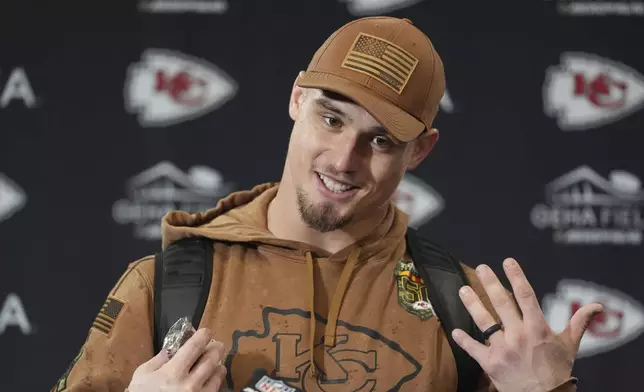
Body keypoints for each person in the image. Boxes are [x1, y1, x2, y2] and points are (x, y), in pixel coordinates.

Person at [51, 16, 602, 392]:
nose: (343, 160)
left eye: (381, 140)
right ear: (297, 100)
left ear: (420, 151)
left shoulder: (466, 312)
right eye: (331, 118)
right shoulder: (166, 284)